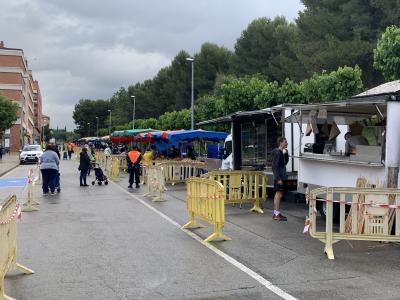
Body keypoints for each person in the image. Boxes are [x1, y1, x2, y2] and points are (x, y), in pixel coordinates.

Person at [271, 137, 289, 221]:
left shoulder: (281, 152)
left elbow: (284, 163)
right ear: (280, 143)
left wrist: (286, 154)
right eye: (285, 142)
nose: (287, 143)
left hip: (282, 176)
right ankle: (276, 214)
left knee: (279, 194)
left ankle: (276, 213)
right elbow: (275, 166)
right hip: (280, 177)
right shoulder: (277, 153)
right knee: (278, 194)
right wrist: (278, 178)